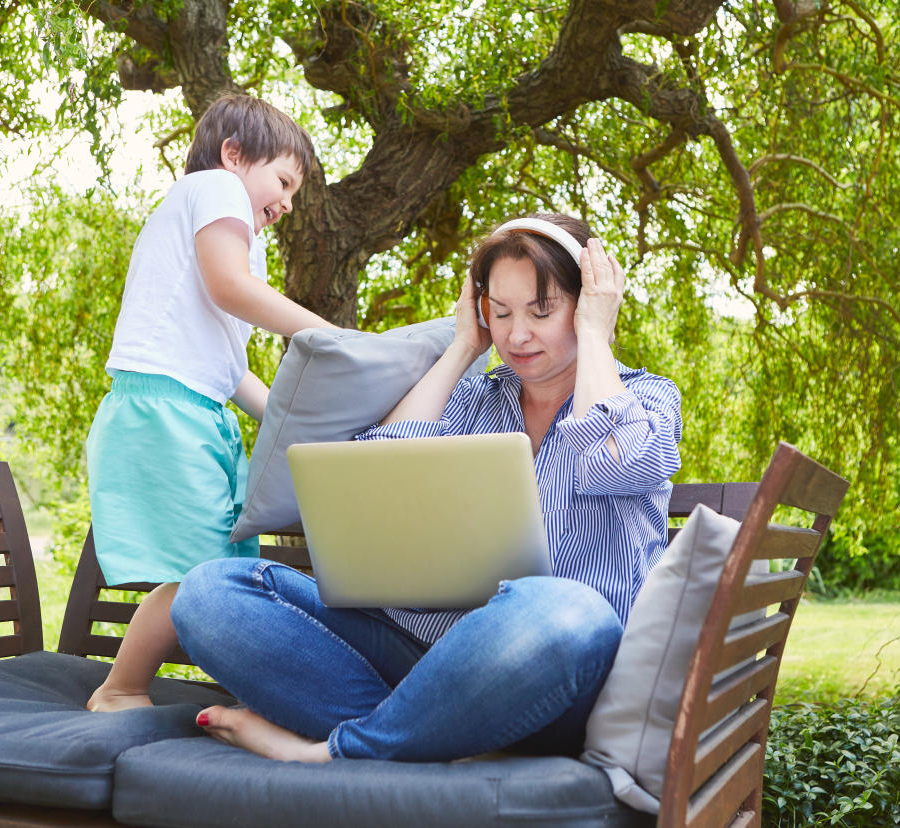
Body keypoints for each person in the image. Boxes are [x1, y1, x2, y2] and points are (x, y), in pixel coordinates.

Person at [170, 212, 682, 761]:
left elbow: (618, 460)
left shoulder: (647, 399)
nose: (517, 334)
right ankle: (433, 735)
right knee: (208, 594)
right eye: (500, 312)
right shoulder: (477, 399)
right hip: (413, 654)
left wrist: (595, 337)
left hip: (548, 672)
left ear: (589, 302)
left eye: (543, 310)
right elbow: (376, 471)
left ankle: (328, 752)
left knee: (567, 608)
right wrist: (463, 347)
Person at [85, 93, 335, 712]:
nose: (287, 203)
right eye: (282, 180)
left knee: (221, 573)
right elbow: (233, 288)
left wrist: (300, 417)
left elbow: (230, 373)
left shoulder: (222, 228)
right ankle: (119, 689)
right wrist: (330, 337)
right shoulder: (216, 190)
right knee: (203, 579)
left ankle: (235, 691)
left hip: (198, 411)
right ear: (233, 156)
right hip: (168, 411)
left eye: (294, 193)